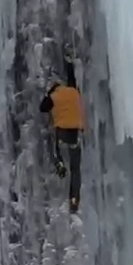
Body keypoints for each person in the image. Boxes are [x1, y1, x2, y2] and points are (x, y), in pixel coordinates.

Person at [39, 59, 84, 213]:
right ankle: (74, 200)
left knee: (53, 146)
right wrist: (68, 63)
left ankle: (59, 163)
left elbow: (42, 108)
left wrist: (48, 96)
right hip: (75, 134)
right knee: (76, 169)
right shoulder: (73, 91)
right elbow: (72, 79)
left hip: (62, 131)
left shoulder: (54, 96)